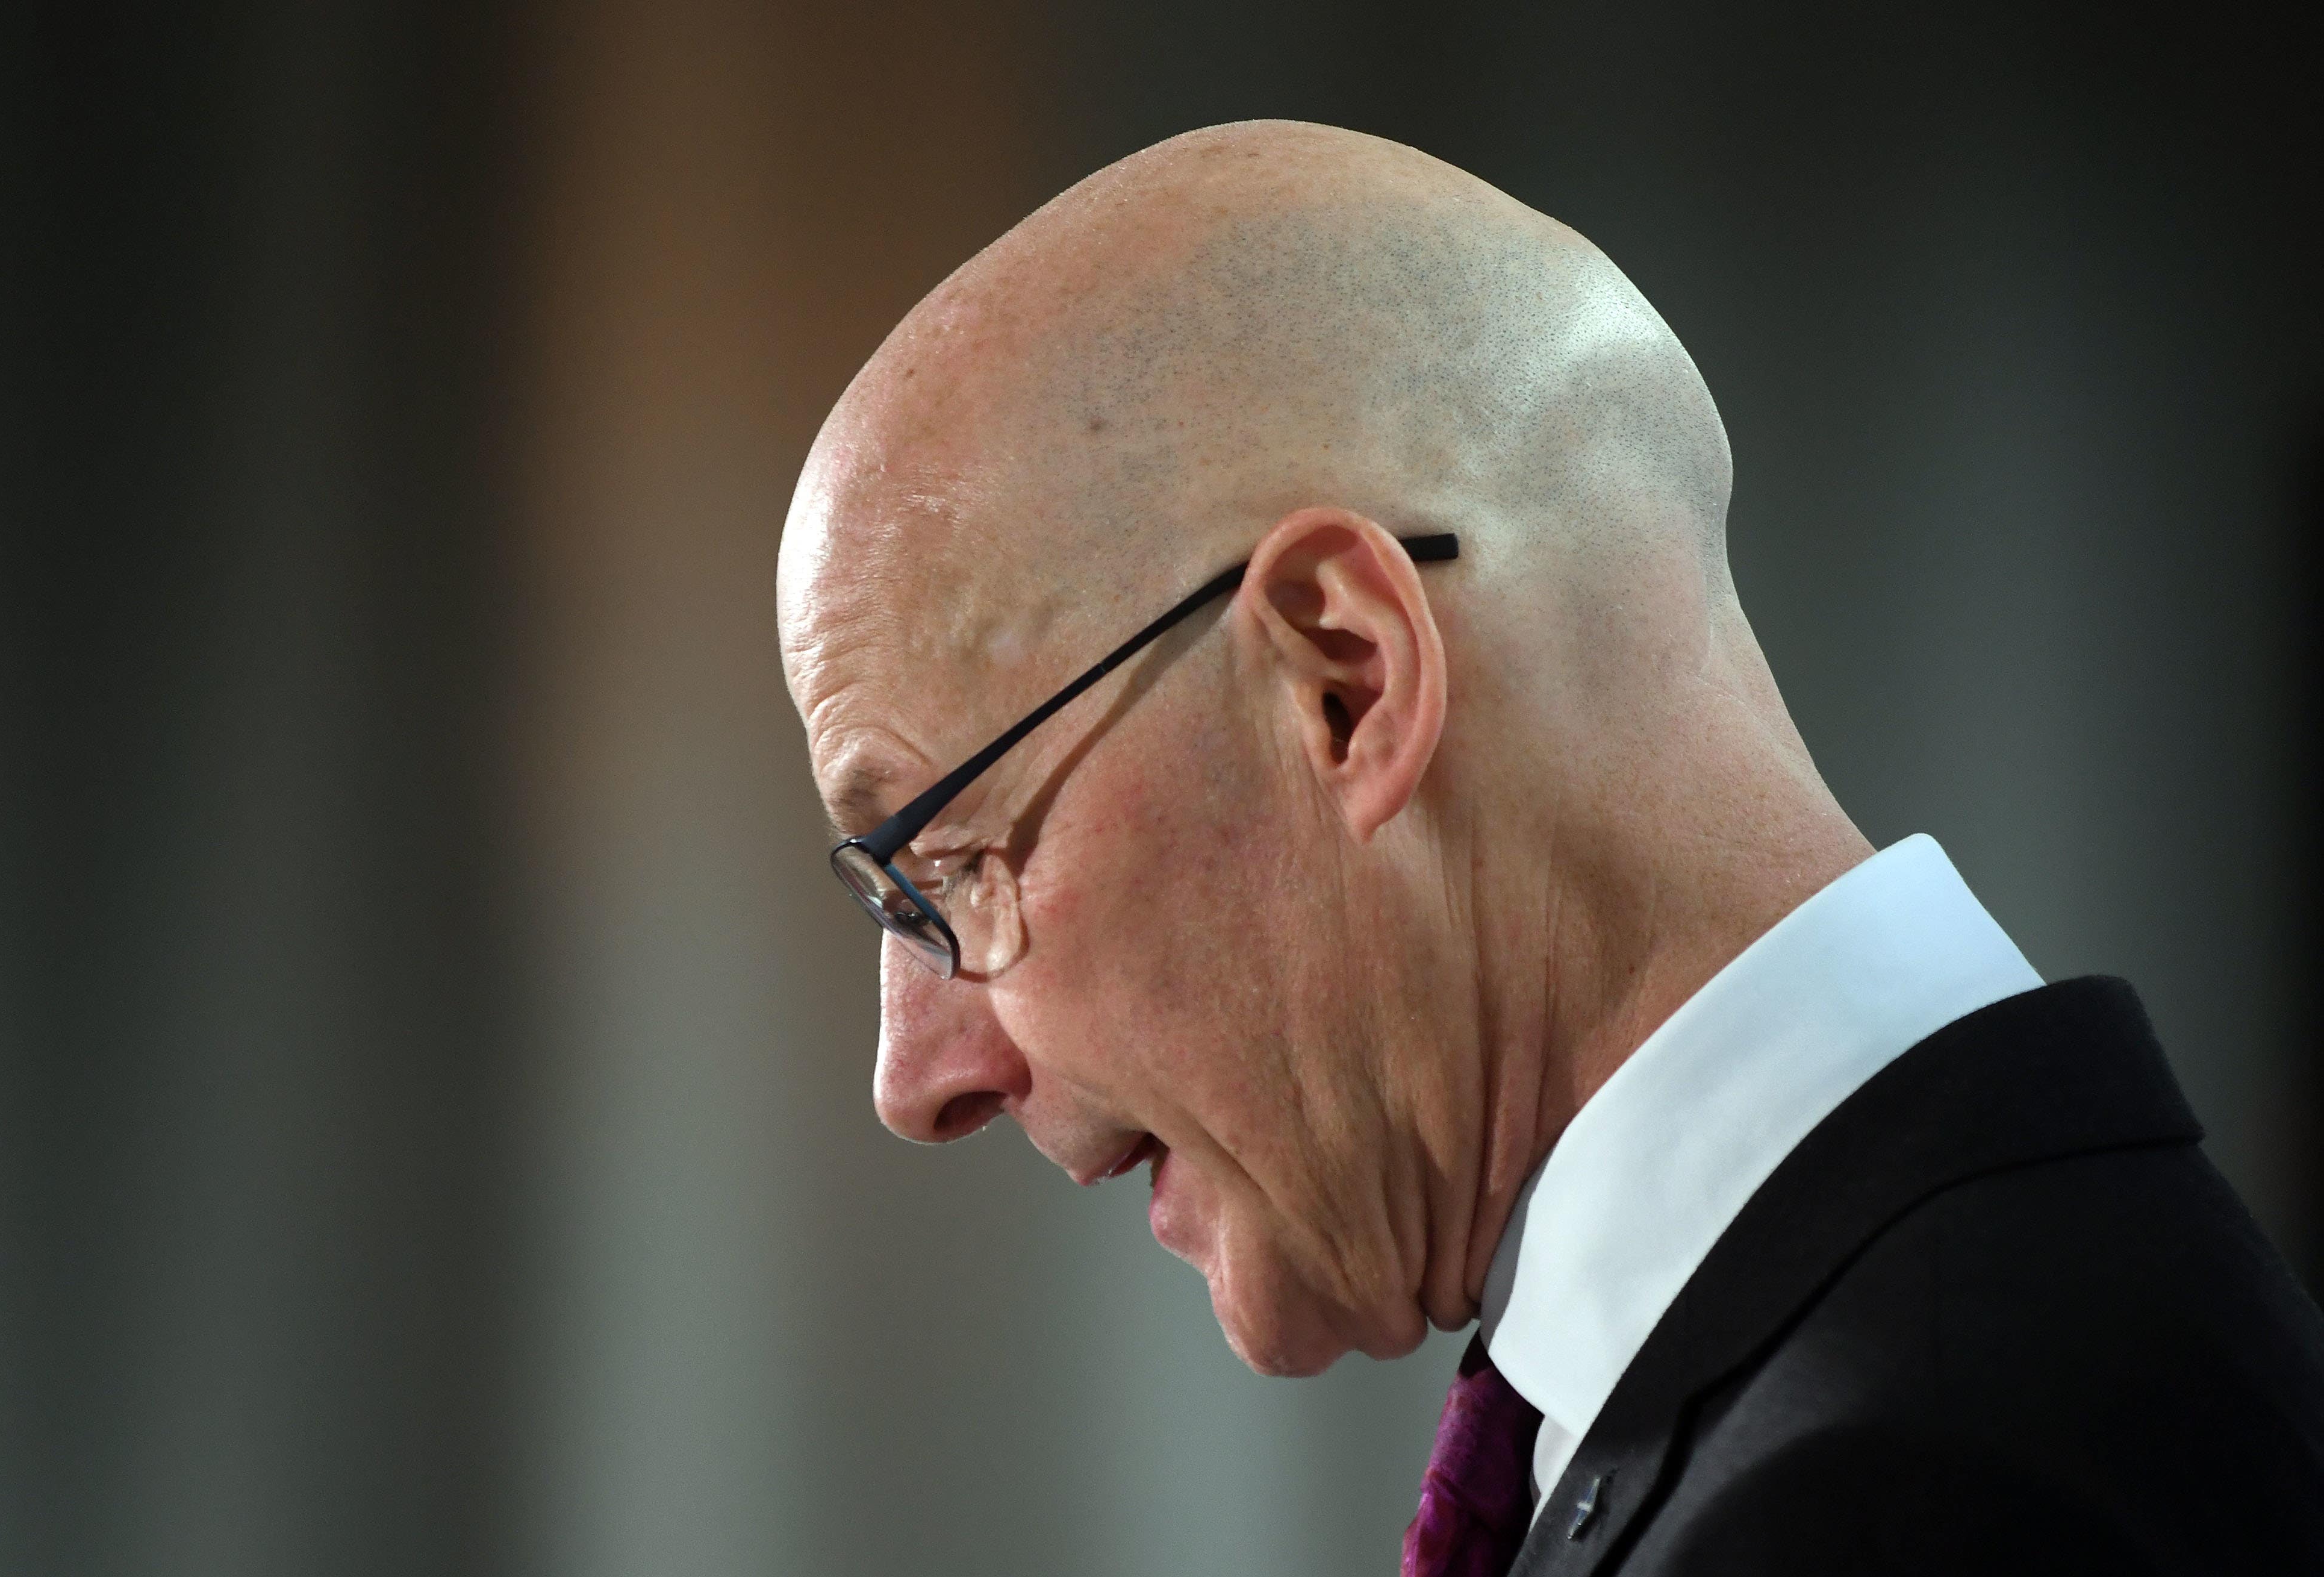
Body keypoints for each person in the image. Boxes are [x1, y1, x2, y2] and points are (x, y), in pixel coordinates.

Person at [775, 120, 2324, 1574]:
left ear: (1341, 681)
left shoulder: (1916, 1499)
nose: (917, 1078)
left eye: (953, 857)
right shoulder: (1913, 1358)